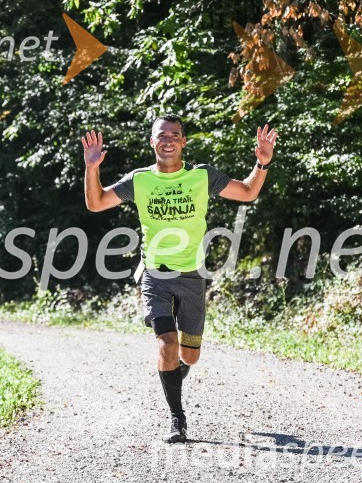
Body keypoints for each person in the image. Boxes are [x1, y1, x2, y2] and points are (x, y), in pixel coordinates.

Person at [82, 114, 277, 443]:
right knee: (166, 344)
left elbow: (246, 193)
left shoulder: (202, 176)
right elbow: (96, 202)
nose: (168, 139)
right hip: (155, 274)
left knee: (190, 355)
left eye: (175, 134)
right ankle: (177, 419)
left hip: (192, 274)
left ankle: (174, 370)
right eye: (162, 135)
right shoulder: (140, 180)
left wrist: (262, 164)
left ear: (184, 142)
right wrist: (91, 167)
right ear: (152, 142)